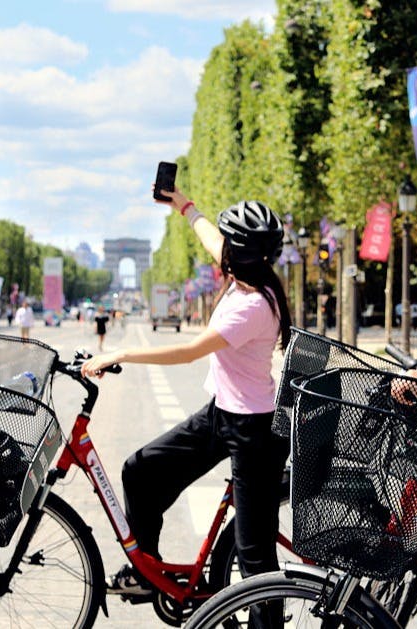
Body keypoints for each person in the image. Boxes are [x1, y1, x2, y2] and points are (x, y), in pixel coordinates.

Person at [81, 187, 291, 628]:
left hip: (253, 430)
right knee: (140, 471)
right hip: (223, 414)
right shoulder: (248, 274)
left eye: (229, 246)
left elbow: (189, 352)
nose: (222, 251)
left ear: (241, 254)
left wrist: (119, 354)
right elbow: (211, 238)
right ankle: (148, 572)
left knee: (255, 561)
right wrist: (184, 205)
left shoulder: (252, 305)